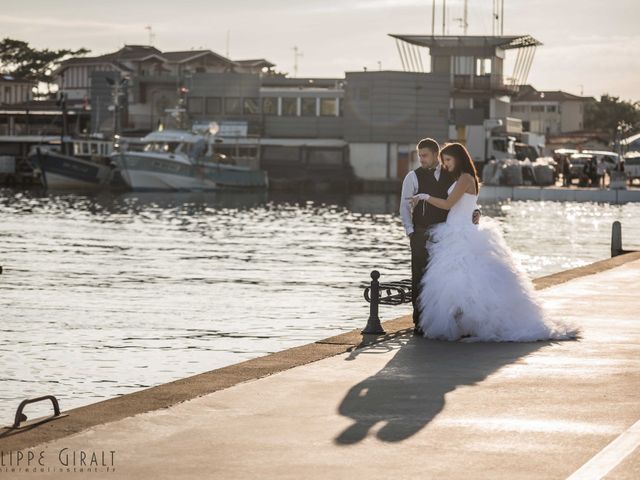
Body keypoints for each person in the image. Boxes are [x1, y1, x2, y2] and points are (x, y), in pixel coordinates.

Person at [411, 143, 579, 342]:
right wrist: (475, 211)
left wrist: (424, 197)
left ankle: (475, 324)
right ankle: (464, 323)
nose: (445, 164)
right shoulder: (460, 178)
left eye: (448, 160)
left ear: (459, 158)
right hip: (455, 228)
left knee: (467, 279)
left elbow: (448, 204)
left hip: (461, 231)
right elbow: (468, 203)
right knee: (458, 281)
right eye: (443, 161)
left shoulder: (465, 177)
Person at [399, 138, 480, 336]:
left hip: (446, 235)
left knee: (441, 280)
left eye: (425, 155)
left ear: (436, 155)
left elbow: (463, 199)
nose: (421, 159)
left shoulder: (452, 175)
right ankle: (419, 323)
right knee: (419, 277)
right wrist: (411, 232)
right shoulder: (413, 176)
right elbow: (404, 206)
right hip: (420, 233)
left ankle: (440, 321)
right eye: (419, 155)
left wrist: (477, 210)